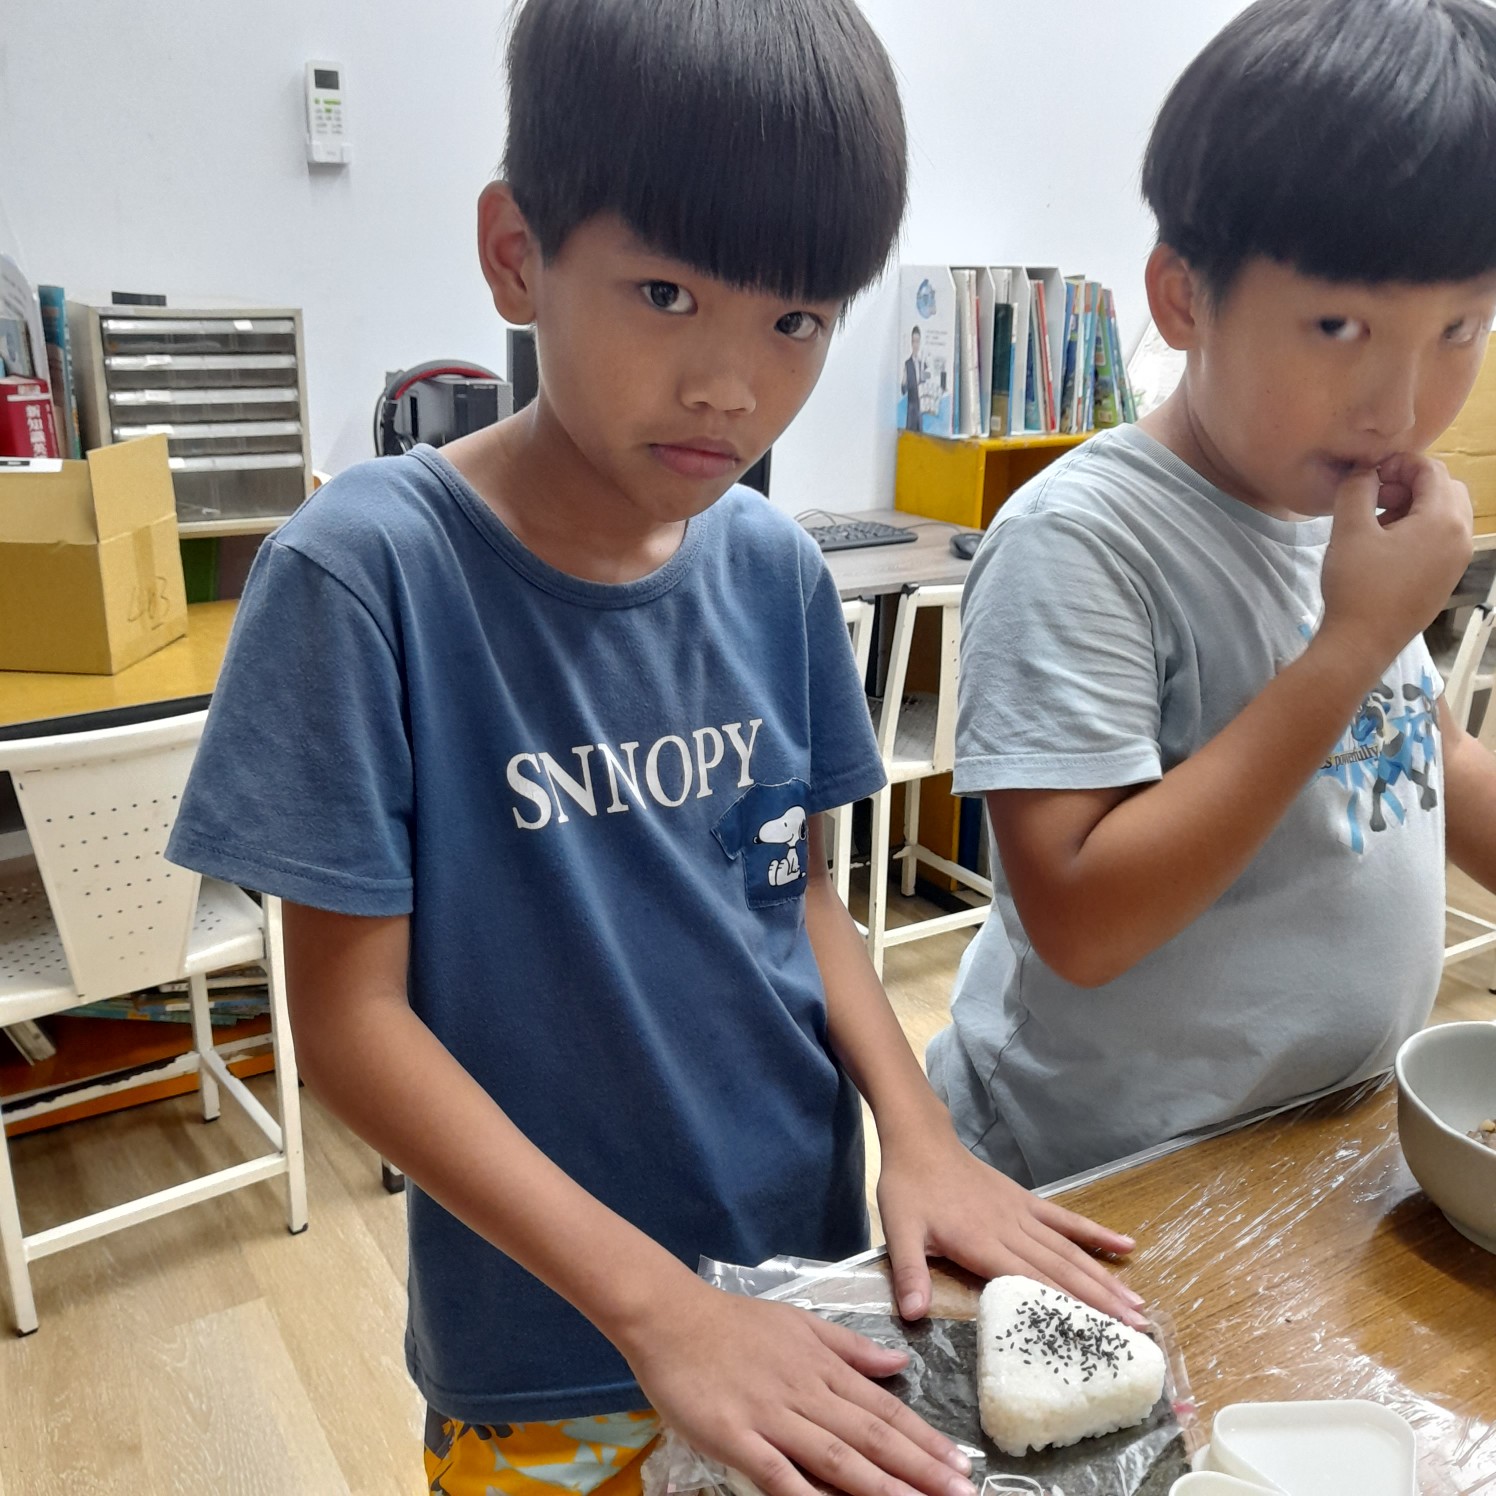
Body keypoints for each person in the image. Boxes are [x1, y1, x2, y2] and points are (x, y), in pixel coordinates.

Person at [165, 2, 1141, 1494]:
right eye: (667, 293)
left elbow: (801, 895)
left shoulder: (773, 568)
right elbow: (349, 1022)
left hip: (805, 1280)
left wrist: (919, 1133)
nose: (731, 387)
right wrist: (658, 1307)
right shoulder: (365, 574)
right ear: (517, 253)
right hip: (553, 1344)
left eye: (795, 321)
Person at [927, 0, 1496, 1190]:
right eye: (1336, 324)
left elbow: (1423, 755)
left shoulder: (1339, 510)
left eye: (1459, 329)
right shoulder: (1082, 538)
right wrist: (1353, 640)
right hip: (1090, 1180)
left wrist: (1369, 642)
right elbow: (1080, 920)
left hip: (1308, 1160)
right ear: (1182, 297)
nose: (1399, 405)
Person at [902, 325, 924, 431]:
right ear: (911, 343)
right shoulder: (907, 364)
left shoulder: (923, 364)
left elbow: (925, 384)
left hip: (921, 411)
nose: (915, 345)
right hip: (911, 412)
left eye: (917, 341)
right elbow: (903, 390)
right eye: (914, 341)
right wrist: (904, 378)